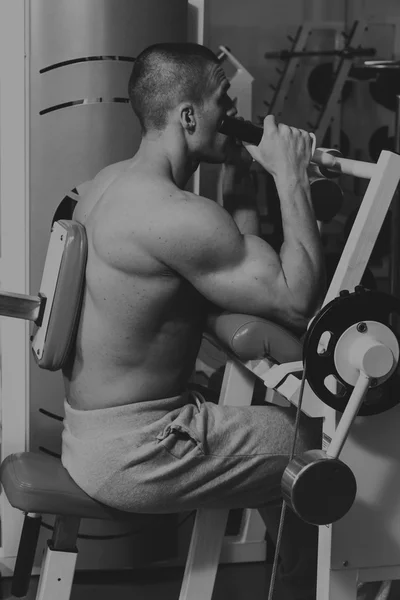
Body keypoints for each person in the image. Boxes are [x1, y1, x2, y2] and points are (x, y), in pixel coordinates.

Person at [61, 42, 325, 600]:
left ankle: (295, 583)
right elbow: (295, 299)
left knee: (270, 437)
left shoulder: (106, 186)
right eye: (224, 102)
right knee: (323, 446)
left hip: (92, 437)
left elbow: (237, 264)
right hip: (139, 451)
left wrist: (242, 171)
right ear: (188, 116)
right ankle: (311, 588)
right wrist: (291, 176)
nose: (233, 114)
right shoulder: (175, 216)